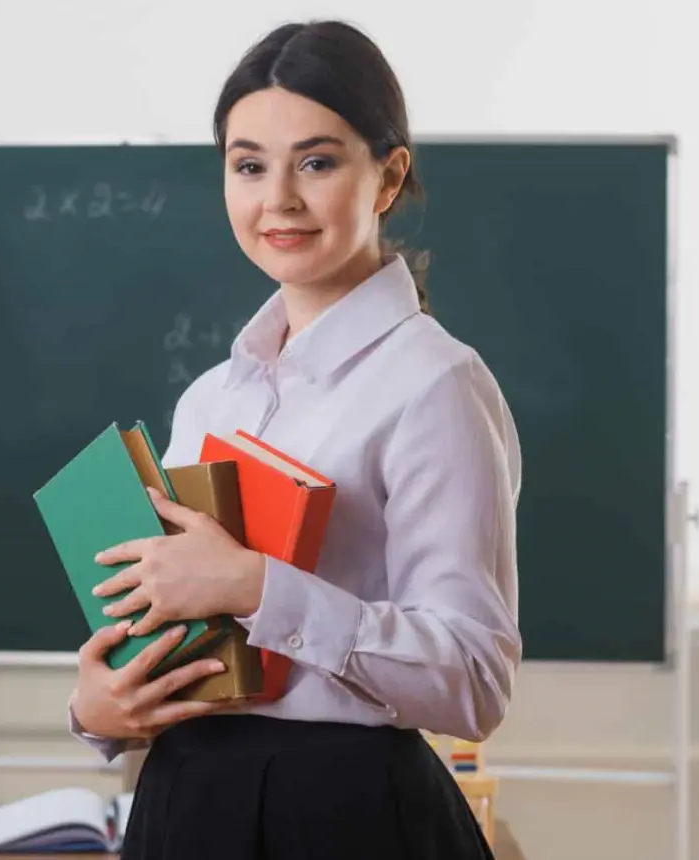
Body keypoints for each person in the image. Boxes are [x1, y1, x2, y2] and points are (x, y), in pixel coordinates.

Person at [67, 19, 521, 860]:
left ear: (388, 177)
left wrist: (252, 584)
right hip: (182, 802)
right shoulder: (212, 398)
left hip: (345, 813)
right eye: (248, 165)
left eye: (316, 161)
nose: (277, 198)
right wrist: (99, 709)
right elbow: (167, 627)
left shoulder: (438, 383)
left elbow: (474, 681)